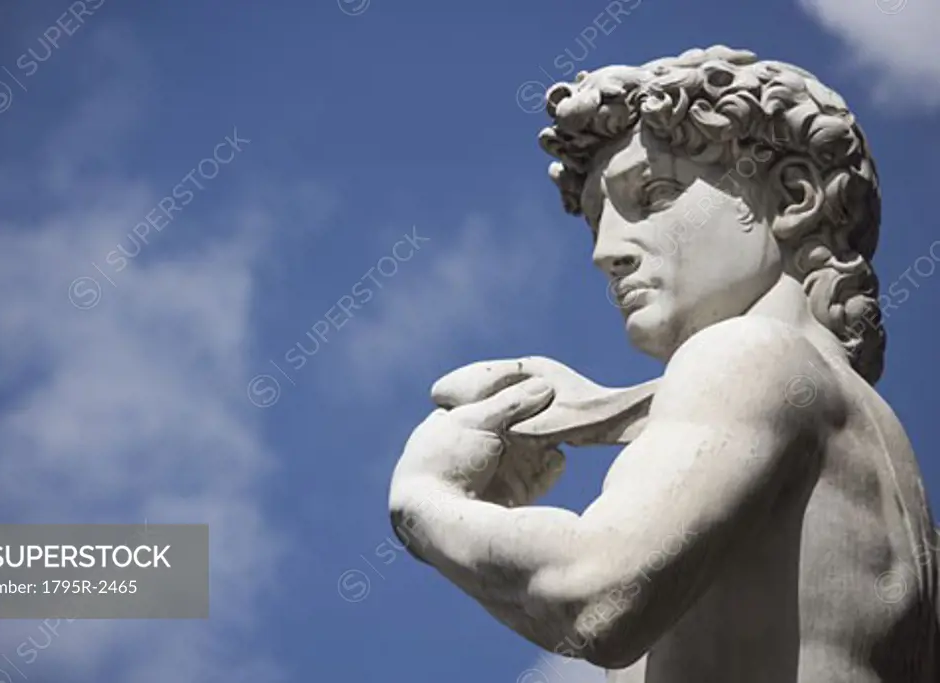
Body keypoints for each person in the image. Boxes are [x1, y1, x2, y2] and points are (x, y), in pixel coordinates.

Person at [388, 46, 939, 682]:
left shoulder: (746, 353)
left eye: (652, 194)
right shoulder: (878, 451)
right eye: (597, 220)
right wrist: (601, 415)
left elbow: (593, 595)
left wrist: (427, 501)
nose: (606, 251)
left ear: (791, 197)